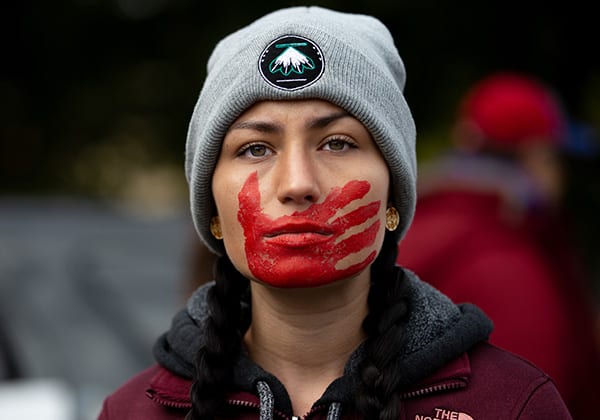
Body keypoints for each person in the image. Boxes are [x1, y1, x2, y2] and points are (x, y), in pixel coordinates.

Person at [98, 7, 572, 419]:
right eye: (256, 148)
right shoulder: (132, 412)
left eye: (338, 143)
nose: (298, 183)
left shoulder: (512, 405)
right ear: (211, 209)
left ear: (393, 196)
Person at [397, 71, 600, 418]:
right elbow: (534, 398)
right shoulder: (509, 260)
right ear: (538, 157)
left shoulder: (417, 227)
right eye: (557, 158)